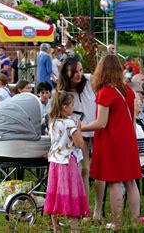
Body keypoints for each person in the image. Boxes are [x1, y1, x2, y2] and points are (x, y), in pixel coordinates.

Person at [81, 54, 141, 229]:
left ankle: (117, 223)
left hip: (112, 141)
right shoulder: (127, 90)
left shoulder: (105, 92)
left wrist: (80, 128)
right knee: (130, 181)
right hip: (128, 140)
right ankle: (137, 222)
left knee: (114, 181)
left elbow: (101, 123)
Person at [44, 91, 90, 230]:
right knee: (71, 193)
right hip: (67, 162)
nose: (73, 107)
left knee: (56, 193)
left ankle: (56, 228)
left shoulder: (53, 121)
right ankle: (74, 228)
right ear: (65, 107)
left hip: (55, 162)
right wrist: (79, 130)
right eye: (72, 105)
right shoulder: (70, 123)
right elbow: (80, 144)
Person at [57, 55, 96, 218]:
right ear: (66, 73)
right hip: (79, 134)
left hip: (97, 128)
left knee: (97, 171)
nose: (79, 74)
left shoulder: (89, 80)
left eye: (80, 70)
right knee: (84, 170)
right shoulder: (63, 92)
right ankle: (84, 209)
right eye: (74, 72)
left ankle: (95, 210)